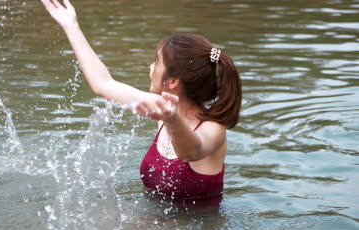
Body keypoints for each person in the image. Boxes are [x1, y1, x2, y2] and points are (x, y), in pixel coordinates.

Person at [40, 0, 242, 199]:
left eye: (156, 62)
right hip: (155, 221)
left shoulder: (213, 129)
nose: (151, 68)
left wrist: (171, 118)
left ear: (172, 82)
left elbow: (190, 152)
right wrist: (71, 26)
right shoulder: (162, 108)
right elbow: (103, 84)